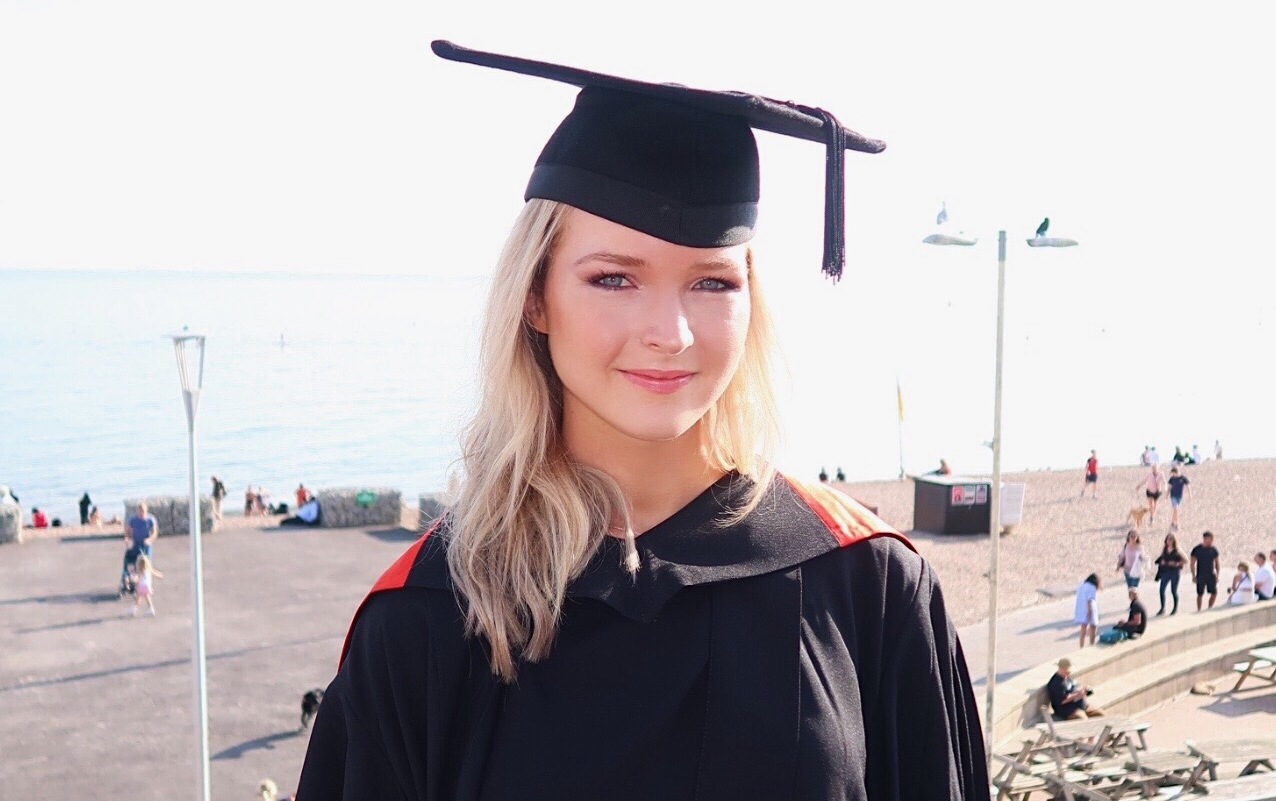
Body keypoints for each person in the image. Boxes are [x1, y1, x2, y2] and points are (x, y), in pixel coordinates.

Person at [297, 40, 987, 800]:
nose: (671, 332)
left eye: (711, 281)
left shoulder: (869, 585)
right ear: (535, 296)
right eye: (614, 277)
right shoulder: (427, 616)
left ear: (752, 300)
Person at [1154, 533, 1188, 615]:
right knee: (1161, 590)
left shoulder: (1177, 550)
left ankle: (1175, 608)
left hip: (1174, 572)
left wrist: (1176, 564)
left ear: (1174, 541)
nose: (1169, 541)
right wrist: (1162, 562)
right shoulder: (1165, 549)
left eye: (1171, 539)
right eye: (1168, 539)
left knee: (1173, 590)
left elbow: (1185, 560)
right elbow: (1161, 558)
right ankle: (1162, 608)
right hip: (1165, 571)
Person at [1190, 530, 1220, 611]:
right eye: (1209, 539)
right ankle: (1199, 609)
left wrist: (1217, 574)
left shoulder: (1213, 550)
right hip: (1200, 574)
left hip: (1211, 574)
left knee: (1214, 593)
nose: (1210, 542)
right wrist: (1193, 576)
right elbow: (1192, 564)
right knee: (1200, 594)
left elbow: (1217, 563)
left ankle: (1209, 608)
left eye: (1212, 540)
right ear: (1205, 539)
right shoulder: (1197, 549)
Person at [1073, 573, 1101, 648]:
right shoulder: (1092, 587)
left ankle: (1081, 646)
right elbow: (1090, 600)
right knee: (1093, 627)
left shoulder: (1082, 585)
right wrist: (1089, 612)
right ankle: (1092, 644)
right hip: (1089, 608)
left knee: (1083, 628)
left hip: (1081, 608)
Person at [1166, 465, 1191, 530]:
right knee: (1176, 509)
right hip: (1173, 496)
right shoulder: (1172, 478)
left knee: (1175, 511)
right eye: (1172, 473)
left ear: (1177, 472)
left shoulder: (1183, 478)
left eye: (1174, 473)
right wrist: (1166, 495)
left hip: (1179, 496)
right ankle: (1177, 524)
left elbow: (1188, 486)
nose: (1173, 474)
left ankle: (1172, 523)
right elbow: (1169, 487)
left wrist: (1190, 494)